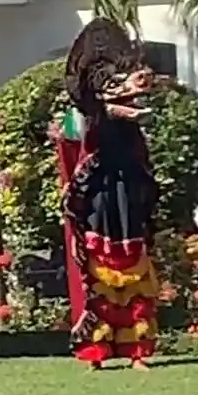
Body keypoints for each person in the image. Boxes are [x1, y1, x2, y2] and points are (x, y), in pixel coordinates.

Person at [54, 19, 161, 370]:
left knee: (135, 273)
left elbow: (145, 173)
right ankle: (95, 351)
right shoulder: (91, 130)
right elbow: (78, 171)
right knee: (98, 274)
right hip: (100, 201)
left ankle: (137, 351)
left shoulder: (133, 137)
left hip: (127, 198)